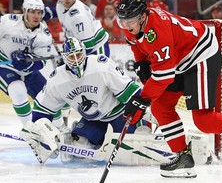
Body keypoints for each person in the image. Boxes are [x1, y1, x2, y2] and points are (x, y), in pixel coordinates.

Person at [116, 0, 222, 178]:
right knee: (160, 105)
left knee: (204, 120)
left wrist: (142, 99)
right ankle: (183, 156)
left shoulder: (157, 30)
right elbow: (136, 44)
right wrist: (141, 63)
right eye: (122, 22)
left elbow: (164, 76)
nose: (126, 26)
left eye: (130, 22)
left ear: (143, 16)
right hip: (178, 61)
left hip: (200, 55)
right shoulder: (133, 23)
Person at [19, 36, 144, 164]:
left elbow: (131, 92)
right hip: (93, 121)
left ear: (84, 52)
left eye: (78, 55)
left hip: (119, 116)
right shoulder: (58, 79)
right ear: (65, 57)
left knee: (127, 153)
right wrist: (41, 136)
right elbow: (42, 109)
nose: (76, 61)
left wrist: (143, 115)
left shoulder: (101, 66)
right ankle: (94, 137)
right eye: (72, 57)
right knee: (77, 149)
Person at [0, 0, 62, 125]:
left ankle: (61, 129)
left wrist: (28, 64)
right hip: (4, 65)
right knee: (17, 89)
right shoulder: (7, 22)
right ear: (25, 11)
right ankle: (30, 129)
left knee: (50, 98)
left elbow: (42, 61)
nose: (36, 16)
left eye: (39, 12)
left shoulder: (44, 34)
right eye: (33, 12)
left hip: (28, 72)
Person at [44, 0, 110, 57]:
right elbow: (60, 13)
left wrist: (68, 55)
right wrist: (42, 13)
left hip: (97, 46)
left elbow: (88, 45)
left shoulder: (79, 17)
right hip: (81, 45)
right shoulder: (60, 4)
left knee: (96, 69)